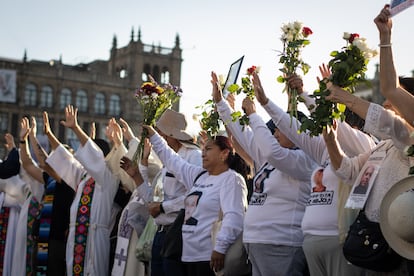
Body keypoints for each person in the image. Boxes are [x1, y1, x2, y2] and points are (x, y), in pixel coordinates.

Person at [252, 71, 375, 276]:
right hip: (311, 240)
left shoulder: (365, 145)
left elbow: (338, 129)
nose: (325, 127)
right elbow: (294, 130)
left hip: (340, 240)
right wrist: (265, 103)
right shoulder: (324, 149)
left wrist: (305, 94)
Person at [211, 71, 315, 275]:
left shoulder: (304, 160)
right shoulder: (269, 158)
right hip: (257, 243)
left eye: (281, 128)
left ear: (299, 132)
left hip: (281, 244)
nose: (275, 133)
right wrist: (221, 104)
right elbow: (243, 134)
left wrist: (254, 114)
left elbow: (270, 150)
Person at [321, 65, 414, 274]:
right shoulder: (383, 146)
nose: (386, 102)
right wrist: (331, 142)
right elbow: (350, 172)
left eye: (395, 98)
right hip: (374, 243)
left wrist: (344, 97)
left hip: (402, 245)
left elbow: (388, 122)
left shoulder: (410, 139)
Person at [124, 122, 248, 276]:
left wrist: (220, 248)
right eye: (203, 149)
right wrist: (154, 136)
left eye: (208, 149)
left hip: (210, 257)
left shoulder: (231, 179)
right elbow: (173, 161)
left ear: (224, 154)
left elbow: (234, 216)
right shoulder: (200, 176)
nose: (203, 153)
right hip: (188, 255)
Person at [45, 105, 119, 276]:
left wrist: (76, 128)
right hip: (77, 237)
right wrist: (49, 134)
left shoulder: (107, 177)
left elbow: (93, 157)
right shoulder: (84, 178)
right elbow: (66, 159)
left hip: (95, 238)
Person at [134, 109, 202, 276]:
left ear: (172, 134)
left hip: (178, 233)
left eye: (162, 133)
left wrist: (165, 207)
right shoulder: (169, 160)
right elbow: (153, 200)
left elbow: (196, 196)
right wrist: (136, 175)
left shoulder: (194, 156)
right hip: (161, 232)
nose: (160, 137)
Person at [18, 115, 74, 276]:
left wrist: (34, 137)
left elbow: (45, 164)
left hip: (57, 243)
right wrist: (23, 141)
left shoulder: (69, 182)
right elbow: (28, 164)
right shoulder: (50, 180)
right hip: (42, 239)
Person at [374, 4, 414, 126]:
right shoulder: (386, 144)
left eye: (397, 99)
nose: (385, 104)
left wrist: (385, 37)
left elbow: (390, 89)